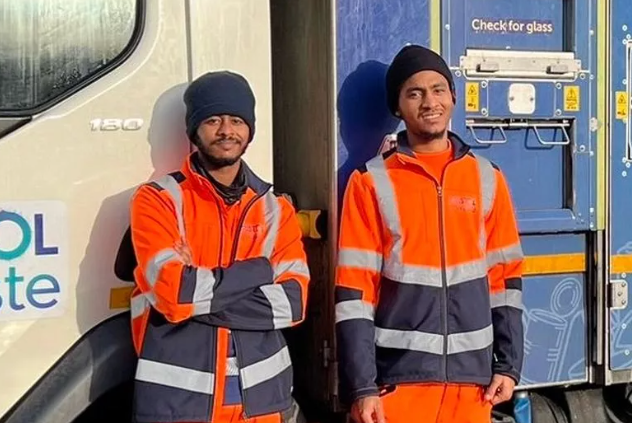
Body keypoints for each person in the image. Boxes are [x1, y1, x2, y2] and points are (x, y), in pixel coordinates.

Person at [335, 45, 525, 423]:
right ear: (397, 108)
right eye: (414, 92)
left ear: (453, 96)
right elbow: (354, 292)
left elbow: (505, 281)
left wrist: (509, 365)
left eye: (438, 89)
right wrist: (362, 386)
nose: (429, 101)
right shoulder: (370, 182)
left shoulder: (488, 178)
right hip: (398, 387)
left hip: (473, 386)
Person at [128, 70, 310, 423]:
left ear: (249, 131)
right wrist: (260, 270)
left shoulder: (274, 208)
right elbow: (175, 293)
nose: (227, 131)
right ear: (194, 130)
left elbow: (293, 304)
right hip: (179, 405)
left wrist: (196, 296)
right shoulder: (158, 200)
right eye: (213, 120)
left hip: (261, 405)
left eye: (237, 120)